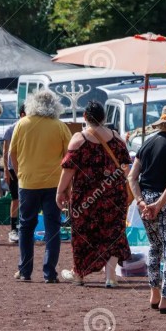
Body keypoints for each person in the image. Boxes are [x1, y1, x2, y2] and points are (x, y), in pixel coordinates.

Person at [57, 101, 132, 288]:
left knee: (83, 234)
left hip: (86, 199)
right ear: (104, 117)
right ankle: (110, 276)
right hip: (114, 196)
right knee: (114, 233)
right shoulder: (117, 138)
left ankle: (79, 274)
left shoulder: (79, 139)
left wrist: (60, 191)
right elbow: (126, 168)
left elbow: (68, 170)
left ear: (84, 117)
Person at [128, 105, 166, 313]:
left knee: (154, 247)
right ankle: (165, 299)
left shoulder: (146, 144)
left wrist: (141, 202)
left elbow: (132, 177)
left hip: (144, 199)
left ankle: (154, 294)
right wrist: (159, 204)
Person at [10, 90, 71, 283]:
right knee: (53, 227)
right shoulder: (60, 126)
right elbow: (69, 158)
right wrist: (67, 185)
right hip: (54, 184)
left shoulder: (22, 123)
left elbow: (12, 153)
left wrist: (20, 173)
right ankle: (49, 273)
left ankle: (25, 270)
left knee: (26, 226)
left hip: (27, 182)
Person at [2, 104, 26, 243]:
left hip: (27, 168)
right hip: (13, 169)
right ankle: (13, 229)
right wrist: (5, 169)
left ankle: (24, 227)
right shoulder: (11, 129)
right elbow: (5, 152)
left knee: (27, 198)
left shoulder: (31, 129)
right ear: (22, 114)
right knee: (15, 198)